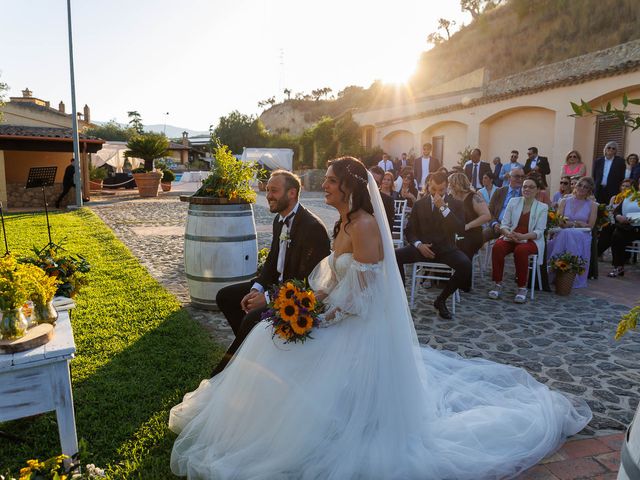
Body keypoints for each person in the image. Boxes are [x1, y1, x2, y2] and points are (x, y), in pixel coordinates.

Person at [169, 156, 591, 480]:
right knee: (269, 337)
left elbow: (368, 293)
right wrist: (303, 302)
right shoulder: (344, 220)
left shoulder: (366, 225)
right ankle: (259, 422)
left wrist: (324, 315)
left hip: (357, 325)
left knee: (277, 346)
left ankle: (288, 430)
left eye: (331, 181)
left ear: (348, 186)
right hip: (334, 310)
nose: (326, 187)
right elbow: (334, 277)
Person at [212, 170, 331, 376]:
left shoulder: (312, 228)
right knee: (225, 296)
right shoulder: (279, 220)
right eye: (267, 190)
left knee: (251, 319)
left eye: (274, 191)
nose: (268, 195)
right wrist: (257, 288)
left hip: (297, 297)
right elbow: (271, 262)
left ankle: (224, 372)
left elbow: (306, 281)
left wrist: (266, 298)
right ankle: (252, 349)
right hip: (275, 286)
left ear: (292, 193)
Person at [395, 171, 471, 319]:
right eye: (433, 189)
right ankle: (401, 298)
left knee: (466, 265)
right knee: (395, 256)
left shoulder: (456, 204)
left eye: (441, 190)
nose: (437, 193)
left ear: (447, 187)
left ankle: (441, 299)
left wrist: (444, 208)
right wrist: (418, 245)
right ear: (428, 185)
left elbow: (459, 229)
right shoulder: (419, 204)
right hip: (422, 249)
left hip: (446, 250)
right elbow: (409, 230)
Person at [488, 176, 548, 303]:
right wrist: (508, 234)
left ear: (537, 190)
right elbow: (504, 224)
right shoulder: (513, 201)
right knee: (497, 246)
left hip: (531, 239)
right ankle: (497, 284)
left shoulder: (542, 207)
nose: (527, 189)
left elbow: (539, 232)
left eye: (531, 187)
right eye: (525, 186)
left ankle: (522, 287)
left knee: (521, 251)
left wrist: (523, 237)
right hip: (511, 236)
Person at [547, 177, 597, 288]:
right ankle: (560, 272)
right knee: (566, 233)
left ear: (589, 190)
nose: (582, 188)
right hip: (563, 232)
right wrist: (577, 223)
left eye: (586, 187)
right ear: (575, 186)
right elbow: (559, 221)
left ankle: (560, 271)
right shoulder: (564, 201)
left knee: (568, 233)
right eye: (580, 185)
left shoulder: (593, 205)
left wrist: (570, 223)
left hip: (582, 235)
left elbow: (590, 226)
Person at [448, 173, 491, 260]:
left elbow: (486, 216)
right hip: (455, 233)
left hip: (472, 234)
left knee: (461, 246)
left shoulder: (474, 197)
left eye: (450, 184)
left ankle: (463, 270)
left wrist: (468, 226)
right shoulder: (451, 197)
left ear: (456, 185)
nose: (449, 186)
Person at [608, 178, 640, 277]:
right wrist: (618, 216)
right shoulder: (630, 195)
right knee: (617, 235)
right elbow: (617, 211)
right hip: (628, 227)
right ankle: (618, 267)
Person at [483, 167, 524, 242]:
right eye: (517, 176)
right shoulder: (499, 191)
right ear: (509, 178)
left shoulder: (525, 194)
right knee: (481, 236)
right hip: (497, 225)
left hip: (515, 228)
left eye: (522, 177)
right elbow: (489, 211)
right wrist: (494, 223)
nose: (520, 179)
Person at [598, 178, 633, 257]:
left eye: (627, 186)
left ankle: (598, 252)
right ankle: (598, 253)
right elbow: (609, 211)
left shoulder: (632, 199)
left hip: (626, 223)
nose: (624, 188)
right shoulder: (614, 198)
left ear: (632, 188)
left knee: (611, 229)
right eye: (623, 185)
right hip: (613, 221)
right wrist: (611, 219)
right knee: (607, 227)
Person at [369, 165, 396, 231]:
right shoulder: (355, 197)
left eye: (375, 183)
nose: (370, 184)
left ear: (380, 184)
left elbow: (389, 227)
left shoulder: (388, 201)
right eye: (369, 180)